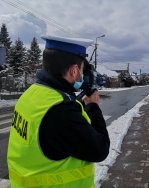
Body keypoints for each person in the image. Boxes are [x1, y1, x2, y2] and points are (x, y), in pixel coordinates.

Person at [7, 35, 110, 188]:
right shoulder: (61, 110)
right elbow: (99, 150)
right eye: (82, 69)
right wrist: (93, 107)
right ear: (74, 71)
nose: (83, 74)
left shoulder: (32, 93)